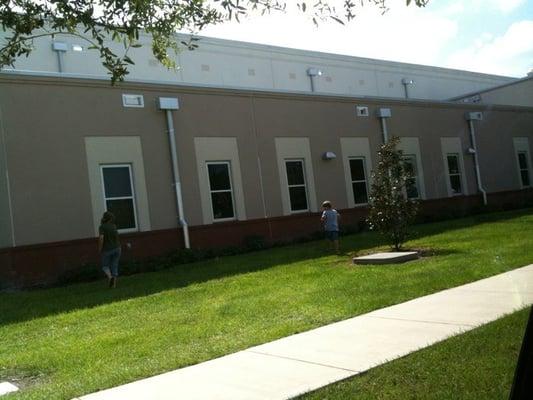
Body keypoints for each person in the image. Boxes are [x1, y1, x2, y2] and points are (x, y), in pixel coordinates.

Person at [98, 211, 121, 288]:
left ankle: (110, 277)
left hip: (107, 249)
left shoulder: (102, 227)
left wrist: (100, 248)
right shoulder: (113, 226)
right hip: (117, 248)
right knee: (114, 266)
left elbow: (101, 238)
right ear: (110, 219)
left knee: (105, 266)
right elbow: (117, 236)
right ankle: (113, 285)